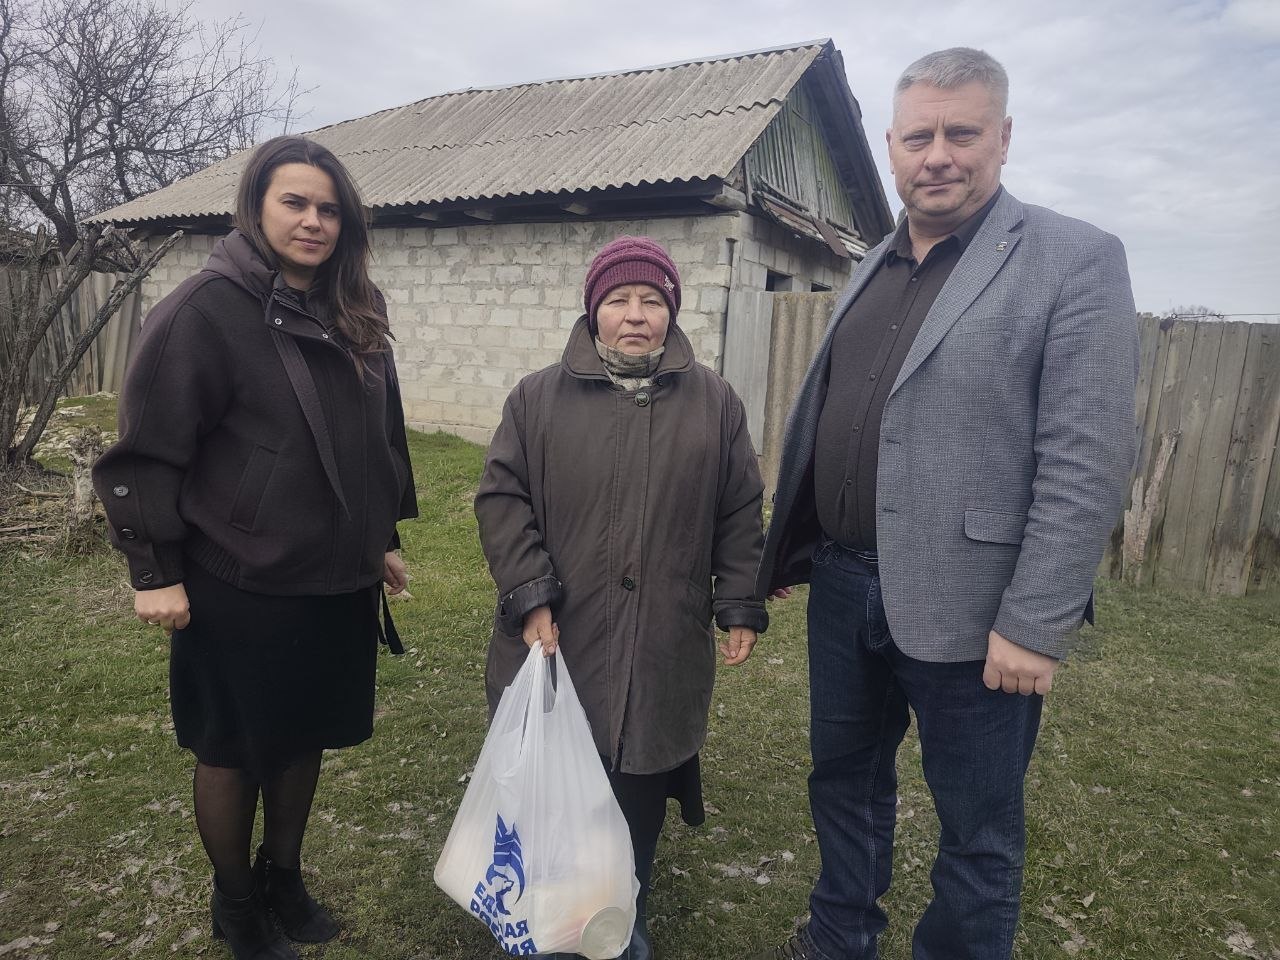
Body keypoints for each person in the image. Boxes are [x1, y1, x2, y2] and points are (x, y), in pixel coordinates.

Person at [750, 48, 1138, 960]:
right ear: (890, 146)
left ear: (1003, 137)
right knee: (843, 784)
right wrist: (795, 542)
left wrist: (1034, 624)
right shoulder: (873, 261)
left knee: (977, 828)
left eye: (961, 133)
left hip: (976, 608)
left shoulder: (1074, 259)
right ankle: (840, 937)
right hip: (844, 585)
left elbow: (1085, 458)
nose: (938, 155)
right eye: (918, 136)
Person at [93, 135, 418, 960]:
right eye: (295, 203)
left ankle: (284, 878)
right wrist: (153, 572)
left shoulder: (355, 305)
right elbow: (143, 455)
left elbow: (378, 436)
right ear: (255, 207)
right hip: (238, 577)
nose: (313, 222)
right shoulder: (204, 310)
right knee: (235, 750)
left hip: (332, 578)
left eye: (329, 209)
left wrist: (379, 536)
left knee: (303, 737)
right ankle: (236, 903)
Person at [475, 236, 768, 959]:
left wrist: (737, 601)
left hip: (662, 642)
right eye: (618, 300)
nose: (635, 315)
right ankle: (551, 919)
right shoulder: (537, 398)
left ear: (672, 311)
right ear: (592, 310)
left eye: (652, 300)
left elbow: (739, 510)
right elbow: (502, 498)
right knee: (556, 787)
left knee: (637, 789)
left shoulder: (716, 403)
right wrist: (531, 594)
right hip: (561, 637)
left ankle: (622, 915)